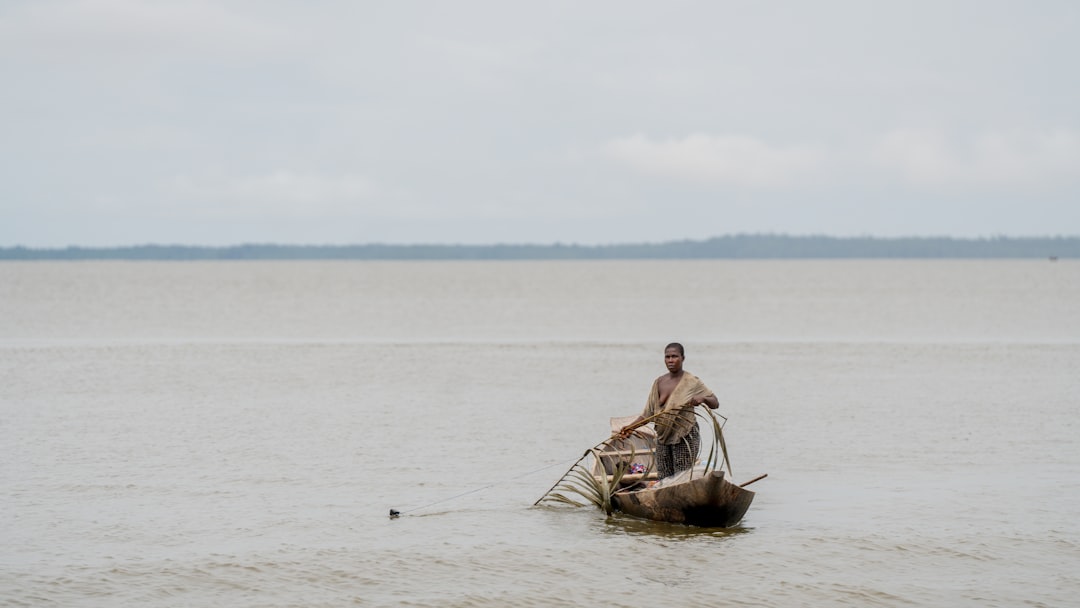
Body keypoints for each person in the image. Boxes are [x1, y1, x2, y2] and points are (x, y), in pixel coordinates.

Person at [618, 342, 718, 480]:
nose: (670, 360)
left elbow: (715, 402)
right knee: (664, 479)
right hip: (663, 437)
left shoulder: (691, 382)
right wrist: (630, 427)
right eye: (667, 357)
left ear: (683, 358)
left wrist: (703, 399)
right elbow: (648, 414)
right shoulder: (659, 382)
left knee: (681, 478)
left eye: (674, 356)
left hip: (685, 436)